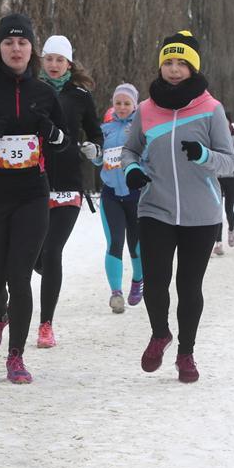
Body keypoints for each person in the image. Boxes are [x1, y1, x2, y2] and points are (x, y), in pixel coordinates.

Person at [121, 30, 234, 383]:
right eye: (168, 62)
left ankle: (186, 353)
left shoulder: (211, 109)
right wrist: (132, 170)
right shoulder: (145, 109)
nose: (173, 69)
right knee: (155, 282)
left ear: (193, 68)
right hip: (155, 207)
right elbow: (130, 150)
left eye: (181, 63)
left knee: (189, 286)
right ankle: (160, 333)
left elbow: (230, 162)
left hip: (201, 213)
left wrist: (204, 156)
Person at [0, 15, 68, 382]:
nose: (16, 48)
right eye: (9, 42)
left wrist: (51, 133)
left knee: (19, 276)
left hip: (31, 197)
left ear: (32, 49)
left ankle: (16, 356)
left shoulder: (44, 93)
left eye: (23, 43)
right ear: (0, 48)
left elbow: (62, 142)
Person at [34, 34, 102, 342]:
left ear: (69, 63)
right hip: (33, 182)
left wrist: (94, 149)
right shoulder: (31, 90)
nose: (53, 65)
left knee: (52, 251)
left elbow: (97, 134)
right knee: (33, 256)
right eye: (49, 59)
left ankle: (46, 324)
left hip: (69, 184)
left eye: (59, 60)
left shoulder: (80, 95)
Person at [91, 84, 143, 313]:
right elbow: (99, 159)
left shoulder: (140, 127)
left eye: (126, 103)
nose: (122, 107)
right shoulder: (105, 129)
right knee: (114, 243)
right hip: (111, 194)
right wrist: (93, 155)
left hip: (137, 195)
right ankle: (116, 293)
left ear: (134, 105)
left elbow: (150, 156)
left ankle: (137, 281)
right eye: (118, 103)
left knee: (136, 244)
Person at [213, 113, 234, 256]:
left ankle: (231, 229)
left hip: (232, 178)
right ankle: (218, 242)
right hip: (217, 178)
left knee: (228, 209)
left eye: (225, 121)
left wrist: (228, 161)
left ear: (229, 123)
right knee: (216, 210)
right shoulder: (212, 138)